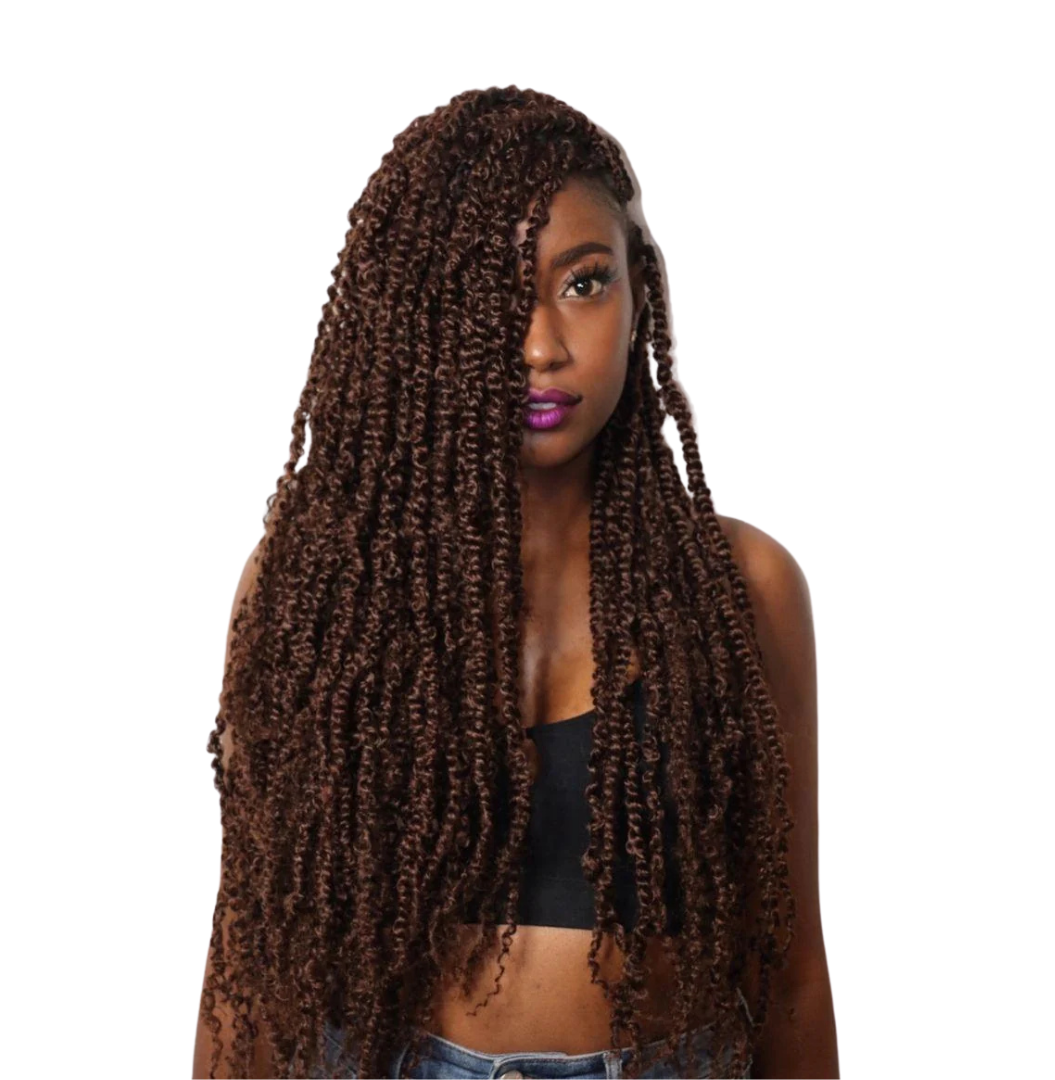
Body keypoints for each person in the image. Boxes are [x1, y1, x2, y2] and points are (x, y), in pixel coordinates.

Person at [192, 85, 838, 1079]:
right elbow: (247, 956)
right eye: (491, 293)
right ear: (419, 318)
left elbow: (790, 972)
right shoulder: (315, 589)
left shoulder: (739, 591)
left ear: (640, 293)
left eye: (584, 283)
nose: (540, 345)